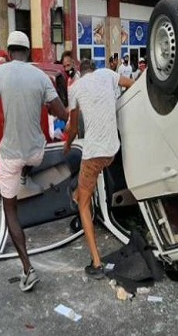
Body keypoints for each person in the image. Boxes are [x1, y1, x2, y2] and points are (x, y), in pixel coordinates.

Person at [0, 31, 67, 292]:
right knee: (30, 157)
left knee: (10, 210)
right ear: (28, 53)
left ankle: (28, 270)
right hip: (36, 153)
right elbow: (62, 112)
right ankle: (24, 173)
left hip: (11, 154)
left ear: (7, 52)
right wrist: (48, 105)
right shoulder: (40, 76)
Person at [64, 58, 134, 279]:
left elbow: (73, 128)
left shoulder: (74, 88)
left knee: (83, 204)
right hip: (112, 150)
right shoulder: (108, 74)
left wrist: (66, 146)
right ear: (93, 69)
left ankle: (96, 263)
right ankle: (80, 194)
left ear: (79, 72)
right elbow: (132, 84)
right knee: (87, 185)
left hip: (93, 154)